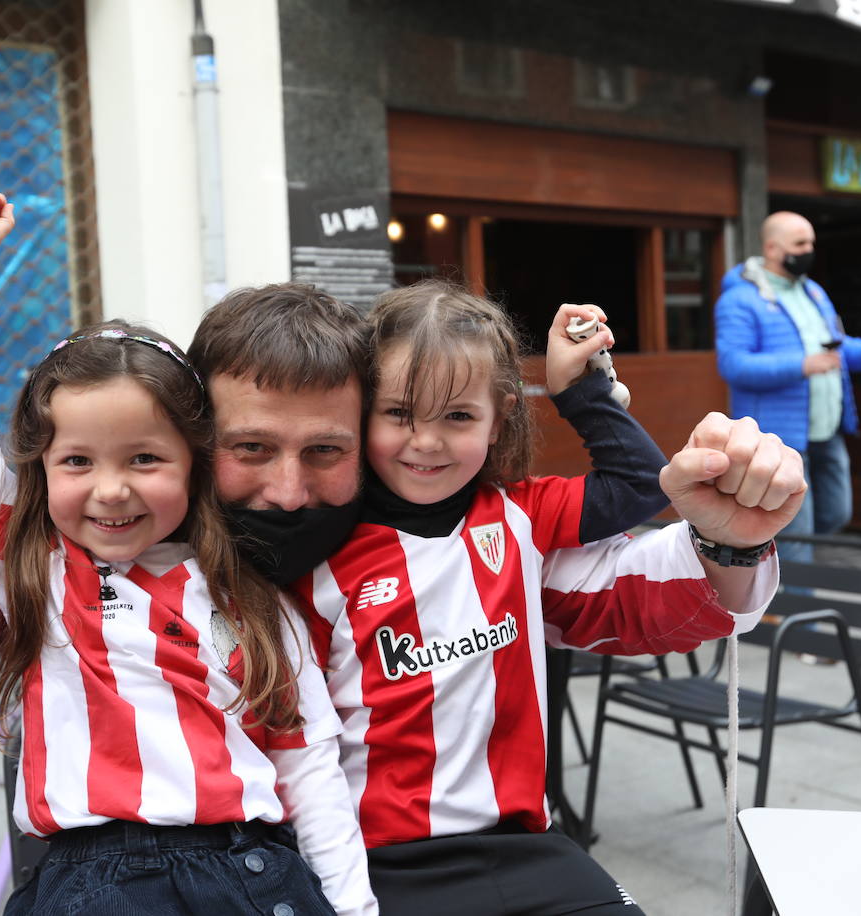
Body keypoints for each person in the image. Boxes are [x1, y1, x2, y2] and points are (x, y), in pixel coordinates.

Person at [0, 191, 805, 914]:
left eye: (329, 451)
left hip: (503, 857)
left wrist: (729, 533)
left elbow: (658, 601)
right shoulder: (86, 563)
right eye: (250, 449)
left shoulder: (467, 532)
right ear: (193, 441)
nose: (290, 490)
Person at [0, 190, 376, 916]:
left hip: (253, 871)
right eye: (78, 461)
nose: (111, 491)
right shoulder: (34, 563)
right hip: (93, 883)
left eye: (145, 458)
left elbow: (311, 772)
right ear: (40, 469)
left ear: (196, 462)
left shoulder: (253, 596)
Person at [291, 282, 791, 915]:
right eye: (398, 414)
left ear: (498, 418)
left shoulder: (519, 515)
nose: (426, 441)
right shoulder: (321, 550)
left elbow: (642, 487)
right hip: (380, 858)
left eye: (458, 416)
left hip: (525, 843)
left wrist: (579, 391)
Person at [714, 210, 861, 545]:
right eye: (800, 243)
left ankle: (781, 580)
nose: (808, 250)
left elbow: (834, 346)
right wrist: (801, 365)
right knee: (797, 536)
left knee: (836, 513)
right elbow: (734, 365)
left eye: (811, 242)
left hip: (827, 429)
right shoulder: (739, 300)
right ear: (772, 249)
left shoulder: (812, 291)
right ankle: (797, 593)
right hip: (779, 439)